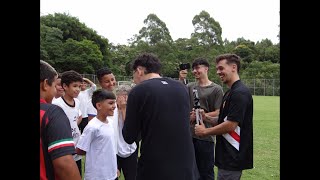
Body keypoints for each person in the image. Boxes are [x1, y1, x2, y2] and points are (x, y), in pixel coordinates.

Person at [122, 53, 199, 180]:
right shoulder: (180, 88)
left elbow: (130, 137)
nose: (134, 79)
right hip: (186, 164)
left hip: (156, 166)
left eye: (133, 74)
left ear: (139, 70)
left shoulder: (138, 91)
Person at [195, 54, 253, 180]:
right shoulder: (230, 92)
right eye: (217, 69)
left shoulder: (240, 93)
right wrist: (206, 118)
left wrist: (206, 131)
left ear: (233, 67)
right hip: (226, 155)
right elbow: (223, 120)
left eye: (221, 68)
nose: (218, 72)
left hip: (233, 156)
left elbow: (231, 125)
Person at [40, 60, 81, 180]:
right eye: (54, 86)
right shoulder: (52, 112)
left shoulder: (77, 103)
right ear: (45, 84)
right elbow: (64, 164)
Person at [187, 58, 224, 180]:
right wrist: (190, 115)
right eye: (193, 68)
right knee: (190, 170)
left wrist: (202, 115)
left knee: (206, 172)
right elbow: (183, 107)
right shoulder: (190, 87)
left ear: (206, 69)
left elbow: (219, 111)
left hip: (206, 136)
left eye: (197, 68)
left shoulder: (216, 89)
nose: (194, 71)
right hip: (189, 135)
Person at [76, 89, 119, 180]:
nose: (114, 106)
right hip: (97, 176)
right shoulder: (93, 127)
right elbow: (80, 149)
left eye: (114, 103)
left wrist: (114, 167)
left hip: (111, 174)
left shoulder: (110, 123)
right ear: (99, 105)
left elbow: (110, 148)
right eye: (111, 103)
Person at [52, 70, 83, 176]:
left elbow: (77, 118)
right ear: (65, 86)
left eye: (79, 86)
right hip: (63, 151)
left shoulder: (77, 102)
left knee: (78, 173)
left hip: (76, 147)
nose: (78, 89)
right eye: (75, 86)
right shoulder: (56, 105)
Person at [116, 85, 138, 180]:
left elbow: (129, 129)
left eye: (125, 96)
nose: (122, 99)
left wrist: (124, 109)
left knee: (131, 176)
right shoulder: (112, 109)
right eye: (120, 96)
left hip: (130, 150)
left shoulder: (133, 110)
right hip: (115, 150)